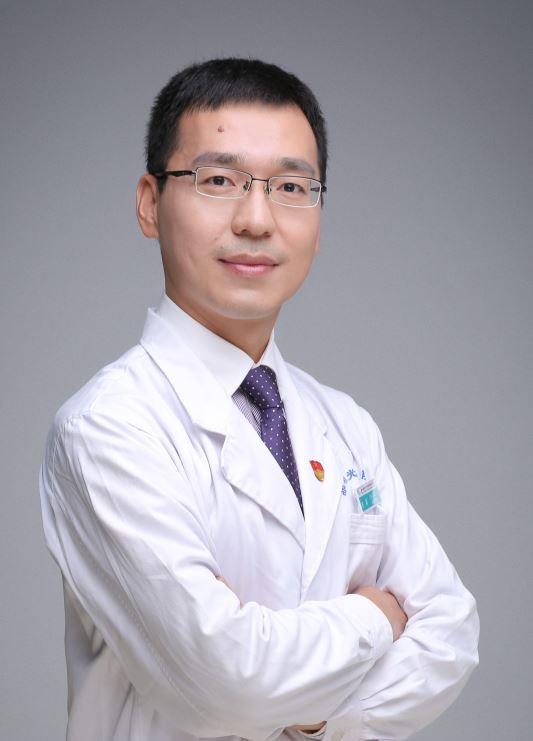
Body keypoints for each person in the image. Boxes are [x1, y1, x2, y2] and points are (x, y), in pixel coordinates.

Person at [40, 58, 479, 741]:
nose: (255, 218)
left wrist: (307, 709)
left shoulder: (344, 423)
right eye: (218, 180)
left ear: (318, 214)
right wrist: (376, 616)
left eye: (291, 186)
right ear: (150, 203)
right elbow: (226, 682)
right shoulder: (106, 428)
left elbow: (450, 633)